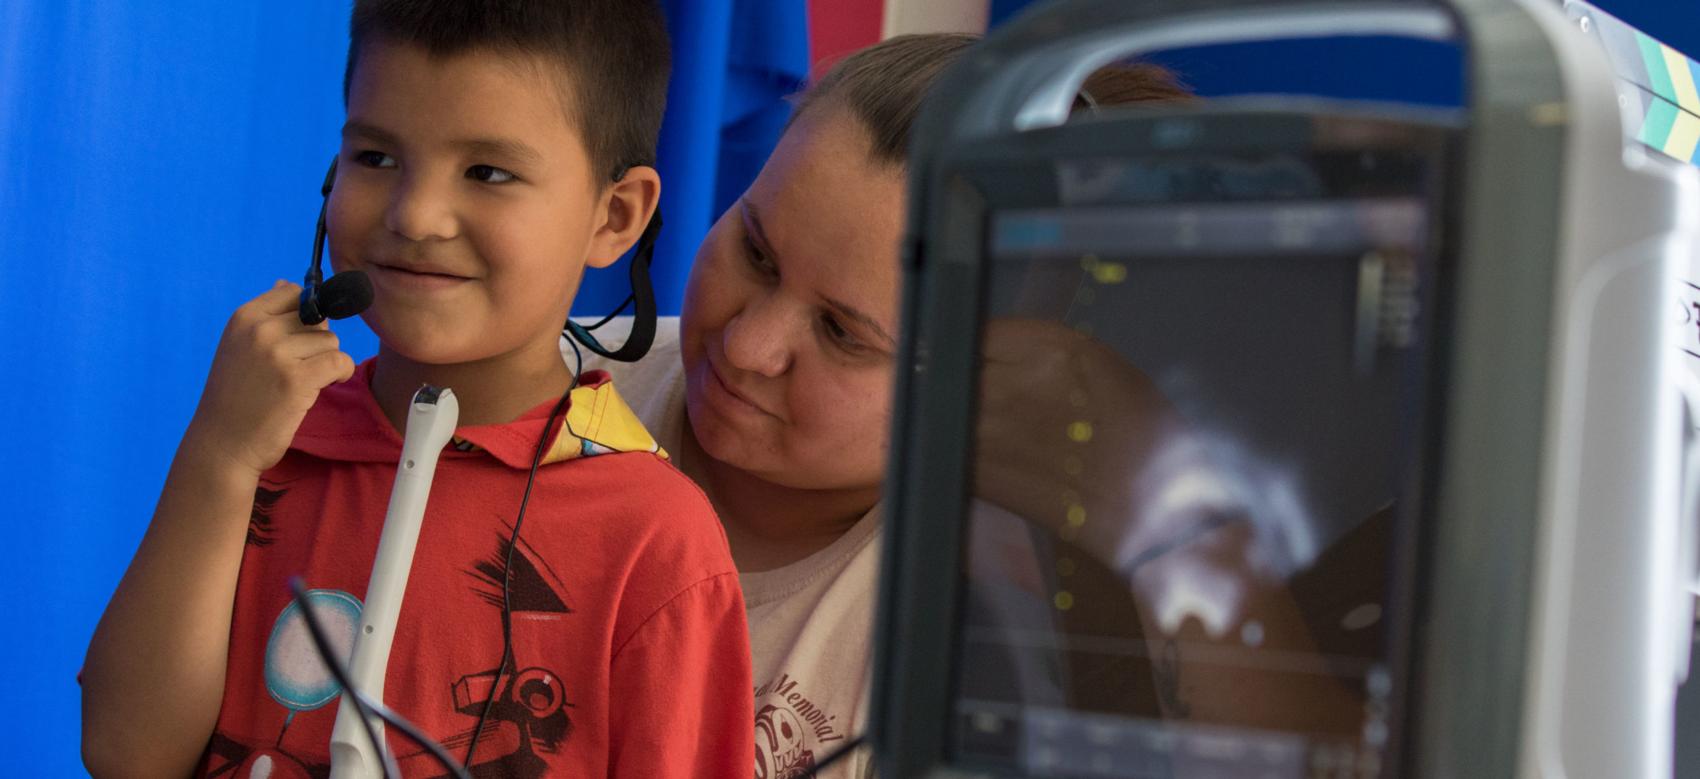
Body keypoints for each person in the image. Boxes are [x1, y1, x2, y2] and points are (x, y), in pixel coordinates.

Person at [80, 2, 752, 777]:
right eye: (376, 157)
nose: (417, 215)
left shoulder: (655, 538)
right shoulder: (265, 437)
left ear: (615, 215)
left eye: (488, 173)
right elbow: (127, 754)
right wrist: (219, 454)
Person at [582, 34, 1195, 779]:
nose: (747, 346)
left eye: (842, 333)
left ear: (996, 387)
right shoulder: (533, 383)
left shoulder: (984, 639)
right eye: (757, 253)